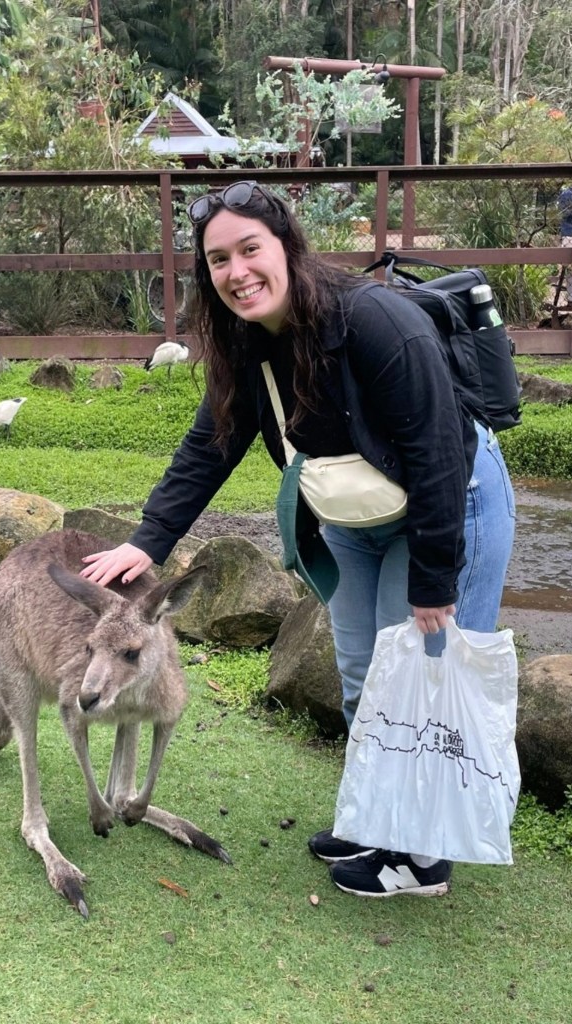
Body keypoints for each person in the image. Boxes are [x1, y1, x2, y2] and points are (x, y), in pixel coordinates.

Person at [80, 180, 515, 898]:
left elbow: (438, 450)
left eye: (249, 249)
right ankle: (378, 815)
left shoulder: (374, 321)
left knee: (425, 680)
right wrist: (148, 540)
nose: (236, 271)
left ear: (284, 245)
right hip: (351, 514)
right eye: (218, 260)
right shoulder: (245, 342)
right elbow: (210, 444)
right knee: (361, 675)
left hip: (447, 504)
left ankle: (420, 856)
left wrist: (434, 581)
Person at [558, 184, 572, 304]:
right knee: (569, 266)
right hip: (569, 233)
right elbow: (564, 213)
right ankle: (571, 297)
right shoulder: (566, 194)